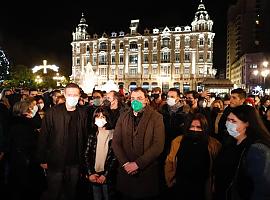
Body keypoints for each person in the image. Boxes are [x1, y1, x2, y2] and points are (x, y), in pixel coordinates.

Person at [37, 83, 88, 200]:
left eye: (75, 95)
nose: (72, 97)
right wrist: (42, 158)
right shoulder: (53, 112)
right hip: (55, 161)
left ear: (79, 95)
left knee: (72, 192)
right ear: (64, 94)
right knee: (54, 193)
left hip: (75, 162)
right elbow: (43, 136)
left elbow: (84, 137)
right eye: (70, 94)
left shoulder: (83, 113)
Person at [112, 87, 165, 200]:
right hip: (126, 173)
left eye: (139, 98)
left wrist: (137, 164)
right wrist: (126, 164)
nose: (135, 101)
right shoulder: (123, 117)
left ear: (146, 100)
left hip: (146, 173)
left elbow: (158, 145)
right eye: (133, 98)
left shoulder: (156, 117)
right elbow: (116, 142)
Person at [213, 105, 270, 200]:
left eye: (234, 121)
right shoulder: (230, 141)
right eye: (228, 119)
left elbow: (262, 187)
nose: (229, 123)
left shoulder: (258, 150)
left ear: (247, 123)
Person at [165, 113, 221, 200]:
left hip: (202, 187)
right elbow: (170, 161)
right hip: (181, 185)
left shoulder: (213, 144)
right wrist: (170, 180)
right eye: (192, 126)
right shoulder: (177, 141)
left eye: (199, 127)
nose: (195, 129)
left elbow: (216, 168)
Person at [85, 107, 117, 200]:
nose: (100, 119)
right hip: (94, 174)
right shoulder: (92, 135)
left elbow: (114, 157)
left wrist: (105, 175)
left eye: (103, 117)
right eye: (97, 117)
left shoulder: (113, 135)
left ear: (108, 118)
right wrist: (90, 173)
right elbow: (86, 155)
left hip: (107, 175)